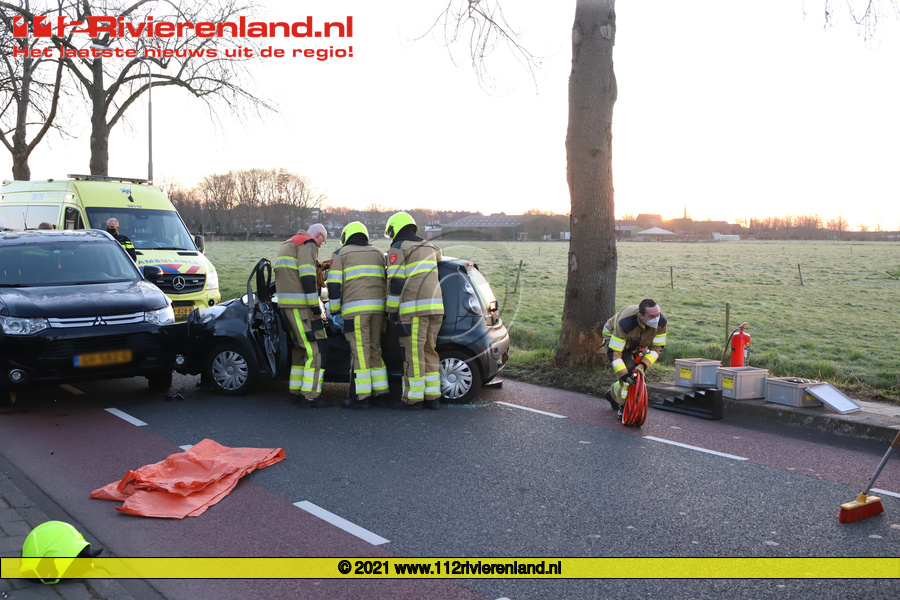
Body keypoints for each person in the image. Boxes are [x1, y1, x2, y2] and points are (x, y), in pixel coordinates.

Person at [384, 212, 444, 410]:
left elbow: (396, 282)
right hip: (436, 308)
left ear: (395, 228)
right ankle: (433, 397)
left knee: (413, 354)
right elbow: (439, 254)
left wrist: (392, 310)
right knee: (429, 351)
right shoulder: (430, 246)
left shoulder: (399, 248)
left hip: (414, 309)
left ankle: (413, 399)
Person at [327, 221, 389, 409]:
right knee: (375, 349)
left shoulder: (341, 254)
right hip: (379, 311)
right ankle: (381, 393)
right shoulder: (378, 252)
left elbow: (334, 285)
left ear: (346, 236)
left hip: (355, 312)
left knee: (360, 352)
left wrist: (335, 310)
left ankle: (361, 398)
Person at [274, 223, 329, 408]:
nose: (320, 246)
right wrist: (315, 307)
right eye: (322, 242)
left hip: (287, 305)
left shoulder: (290, 243)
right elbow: (307, 277)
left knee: (300, 348)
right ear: (318, 235)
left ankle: (296, 391)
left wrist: (318, 265)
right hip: (301, 306)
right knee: (316, 349)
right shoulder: (307, 244)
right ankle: (310, 396)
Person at [602, 299, 668, 420]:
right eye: (652, 316)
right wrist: (623, 374)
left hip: (636, 342)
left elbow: (657, 348)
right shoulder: (626, 324)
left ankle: (612, 394)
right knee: (629, 373)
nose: (656, 319)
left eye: (658, 314)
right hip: (614, 338)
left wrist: (643, 366)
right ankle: (624, 407)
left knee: (637, 374)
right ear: (641, 316)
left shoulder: (662, 322)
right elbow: (615, 353)